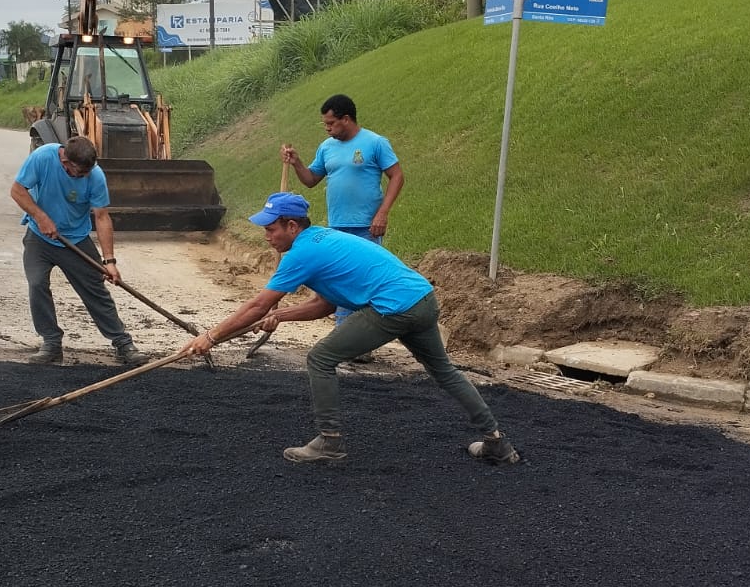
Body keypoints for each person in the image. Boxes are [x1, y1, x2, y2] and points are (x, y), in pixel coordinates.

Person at [183, 191, 520, 467]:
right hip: (421, 299)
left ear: (291, 226)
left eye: (271, 229)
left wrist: (211, 336)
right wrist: (281, 317)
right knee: (444, 371)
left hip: (393, 308)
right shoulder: (323, 240)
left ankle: (329, 442)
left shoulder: (301, 253)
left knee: (320, 358)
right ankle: (496, 443)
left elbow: (257, 304)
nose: (267, 236)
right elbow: (325, 305)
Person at [281, 93, 404, 354]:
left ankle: (360, 342)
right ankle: (345, 337)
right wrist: (297, 163)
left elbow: (396, 176)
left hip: (367, 226)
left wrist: (383, 212)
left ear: (346, 119)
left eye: (331, 123)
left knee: (363, 282)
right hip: (337, 228)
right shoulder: (327, 147)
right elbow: (311, 179)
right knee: (339, 281)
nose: (327, 129)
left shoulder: (375, 143)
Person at [9, 135, 147, 367]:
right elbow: (17, 190)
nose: (84, 177)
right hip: (39, 239)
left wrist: (109, 261)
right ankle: (52, 344)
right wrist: (41, 217)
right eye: (79, 173)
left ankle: (123, 344)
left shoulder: (96, 176)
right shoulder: (43, 157)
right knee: (37, 284)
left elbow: (102, 217)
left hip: (75, 239)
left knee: (95, 290)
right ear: (65, 162)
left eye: (87, 172)